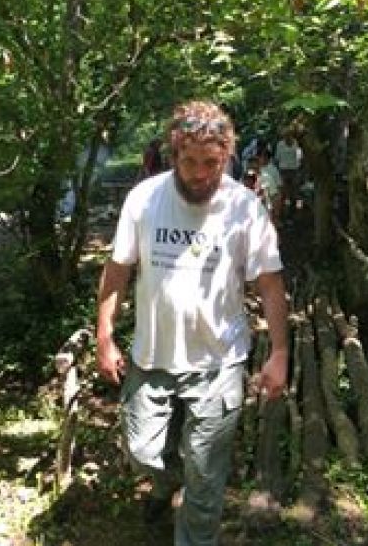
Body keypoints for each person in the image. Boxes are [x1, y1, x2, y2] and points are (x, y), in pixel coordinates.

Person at [96, 100, 289, 546]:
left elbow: (271, 284)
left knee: (205, 481)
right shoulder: (145, 199)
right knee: (142, 453)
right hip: (152, 357)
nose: (200, 173)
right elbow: (118, 270)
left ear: (227, 157)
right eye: (190, 162)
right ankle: (167, 481)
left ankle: (195, 525)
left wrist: (279, 352)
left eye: (211, 163)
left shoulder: (244, 208)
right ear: (173, 153)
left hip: (218, 363)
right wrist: (105, 335)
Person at [258, 143, 282, 226]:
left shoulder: (273, 170)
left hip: (270, 197)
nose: (262, 159)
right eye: (261, 157)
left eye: (264, 157)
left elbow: (279, 185)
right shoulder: (254, 169)